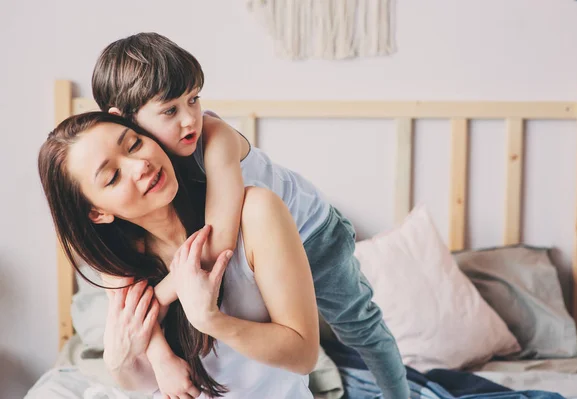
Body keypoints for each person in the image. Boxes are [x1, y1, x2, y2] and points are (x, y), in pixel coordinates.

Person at [92, 32, 409, 399]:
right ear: (123, 120)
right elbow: (116, 278)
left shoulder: (214, 137)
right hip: (262, 254)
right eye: (170, 110)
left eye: (193, 99)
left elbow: (217, 244)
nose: (189, 120)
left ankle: (399, 394)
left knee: (359, 325)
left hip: (314, 235)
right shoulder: (137, 182)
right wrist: (160, 356)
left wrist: (154, 301)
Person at [38, 112, 319, 398]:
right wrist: (119, 360)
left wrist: (211, 320)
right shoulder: (122, 266)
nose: (140, 166)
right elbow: (143, 384)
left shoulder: (255, 212)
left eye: (134, 144)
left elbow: (304, 355)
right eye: (113, 177)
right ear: (97, 212)